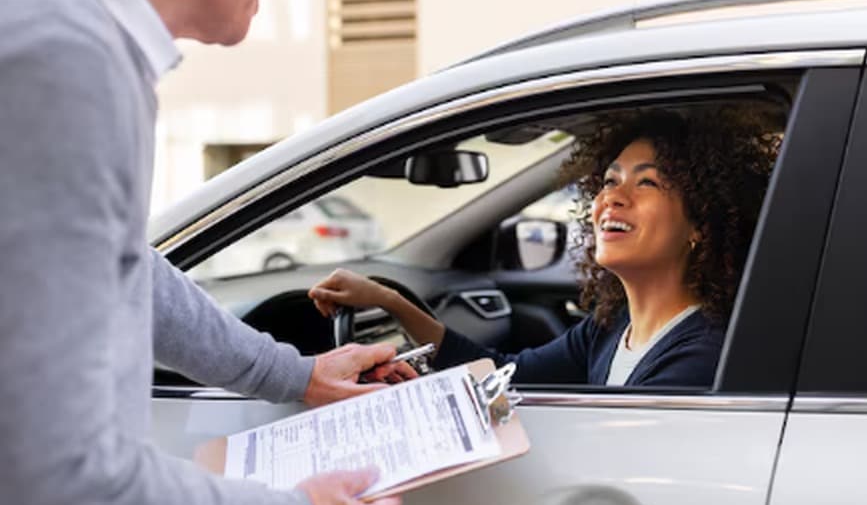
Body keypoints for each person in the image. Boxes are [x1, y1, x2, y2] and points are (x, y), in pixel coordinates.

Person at [0, 0, 412, 505]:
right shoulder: (65, 59)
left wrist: (293, 374)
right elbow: (66, 483)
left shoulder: (76, 36)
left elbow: (129, 268)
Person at [309, 109, 778, 387]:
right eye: (609, 180)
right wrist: (391, 302)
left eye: (648, 182)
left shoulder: (698, 357)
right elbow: (505, 374)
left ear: (700, 222)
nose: (612, 196)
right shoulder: (612, 329)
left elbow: (609, 451)